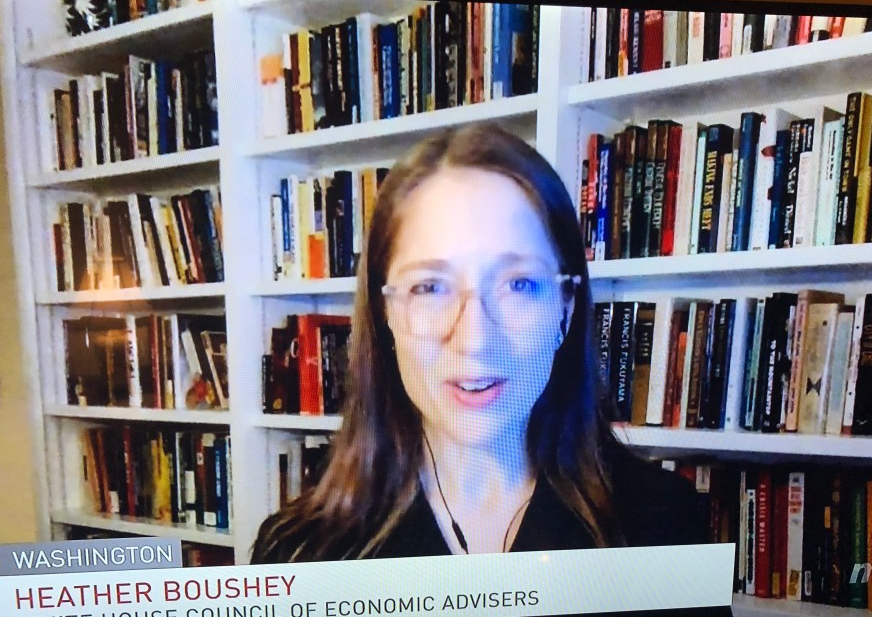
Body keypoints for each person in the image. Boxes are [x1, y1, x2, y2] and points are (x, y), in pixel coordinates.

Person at [250, 121, 708, 564]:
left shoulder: (667, 530)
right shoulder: (297, 556)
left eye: (519, 285)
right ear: (385, 312)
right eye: (430, 287)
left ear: (565, 308)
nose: (474, 340)